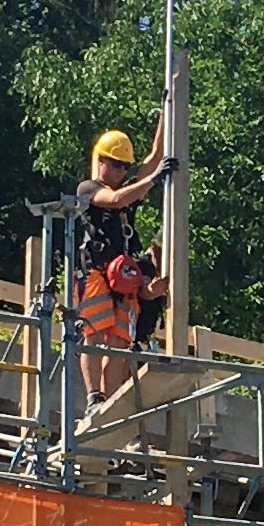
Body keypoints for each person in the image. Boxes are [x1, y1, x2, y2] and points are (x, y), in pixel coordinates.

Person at [66, 124, 172, 407]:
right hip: (95, 272)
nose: (121, 171)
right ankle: (94, 396)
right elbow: (112, 200)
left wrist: (166, 112)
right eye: (116, 164)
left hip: (121, 275)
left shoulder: (127, 194)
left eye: (125, 166)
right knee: (94, 333)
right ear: (100, 161)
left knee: (120, 341)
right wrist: (153, 179)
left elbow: (152, 159)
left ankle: (109, 401)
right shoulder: (89, 189)